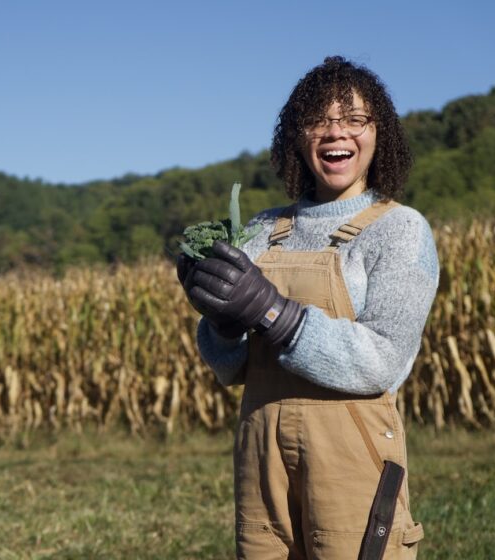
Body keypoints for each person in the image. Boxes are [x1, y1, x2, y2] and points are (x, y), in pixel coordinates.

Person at [177, 56, 438, 559]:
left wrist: (276, 313)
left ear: (378, 132)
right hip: (260, 456)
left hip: (349, 458)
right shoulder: (260, 229)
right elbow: (229, 369)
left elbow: (382, 360)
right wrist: (223, 323)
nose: (335, 132)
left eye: (354, 119)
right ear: (296, 137)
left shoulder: (399, 230)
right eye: (318, 119)